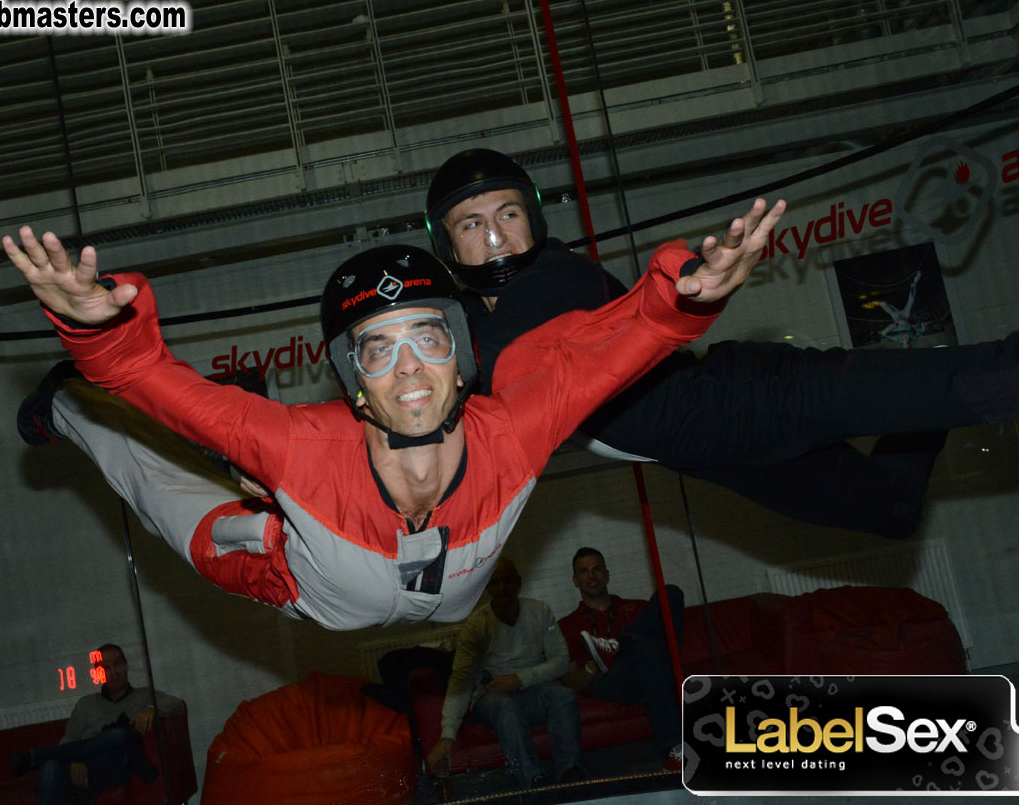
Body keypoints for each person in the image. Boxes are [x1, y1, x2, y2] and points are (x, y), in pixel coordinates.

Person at [3, 203, 779, 630]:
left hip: (456, 593)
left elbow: (622, 342)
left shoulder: (513, 428)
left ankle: (249, 481)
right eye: (376, 351)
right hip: (319, 586)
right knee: (163, 487)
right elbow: (145, 375)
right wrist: (98, 329)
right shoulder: (300, 445)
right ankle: (70, 409)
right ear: (353, 385)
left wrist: (687, 292)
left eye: (426, 338)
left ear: (459, 356)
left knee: (245, 464)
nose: (407, 368)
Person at [425, 147, 1019, 537]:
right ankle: (922, 383)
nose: (496, 235)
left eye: (508, 214)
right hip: (717, 454)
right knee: (893, 509)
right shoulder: (475, 329)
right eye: (472, 225)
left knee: (992, 380)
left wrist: (685, 285)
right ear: (451, 248)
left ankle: (926, 382)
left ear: (533, 219)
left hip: (755, 396)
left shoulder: (555, 278)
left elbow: (623, 319)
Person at [426, 557, 582, 787]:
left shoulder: (539, 611)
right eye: (495, 582)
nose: (502, 588)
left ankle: (571, 773)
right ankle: (532, 778)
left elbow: (560, 661)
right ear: (487, 588)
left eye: (508, 581)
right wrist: (447, 735)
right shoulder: (477, 625)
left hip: (532, 690)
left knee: (563, 696)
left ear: (518, 582)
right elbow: (460, 680)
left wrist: (518, 679)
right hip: (491, 698)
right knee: (505, 708)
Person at [557, 548, 685, 772]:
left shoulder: (638, 608)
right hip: (610, 681)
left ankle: (616, 645)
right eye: (584, 572)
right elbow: (570, 682)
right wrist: (593, 665)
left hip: (652, 670)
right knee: (644, 650)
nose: (592, 576)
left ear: (607, 575)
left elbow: (670, 641)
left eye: (597, 569)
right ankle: (673, 746)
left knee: (671, 592)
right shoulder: (567, 625)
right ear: (575, 580)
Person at [8, 643, 185, 805]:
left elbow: (177, 705)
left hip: (115, 765)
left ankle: (35, 757)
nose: (114, 672)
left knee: (120, 735)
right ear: (99, 673)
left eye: (117, 664)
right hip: (83, 769)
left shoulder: (143, 696)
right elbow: (69, 738)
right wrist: (74, 762)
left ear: (126, 666)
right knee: (50, 767)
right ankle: (44, 761)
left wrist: (151, 709)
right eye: (106, 668)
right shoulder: (86, 704)